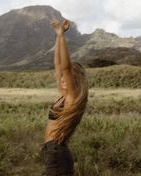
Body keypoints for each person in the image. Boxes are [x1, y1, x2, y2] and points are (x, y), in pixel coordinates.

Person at [41, 19, 89, 176]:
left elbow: (66, 67)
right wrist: (58, 36)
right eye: (62, 76)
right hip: (52, 151)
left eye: (66, 77)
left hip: (57, 153)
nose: (62, 78)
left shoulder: (72, 98)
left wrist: (62, 36)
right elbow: (58, 64)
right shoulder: (63, 95)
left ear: (74, 81)